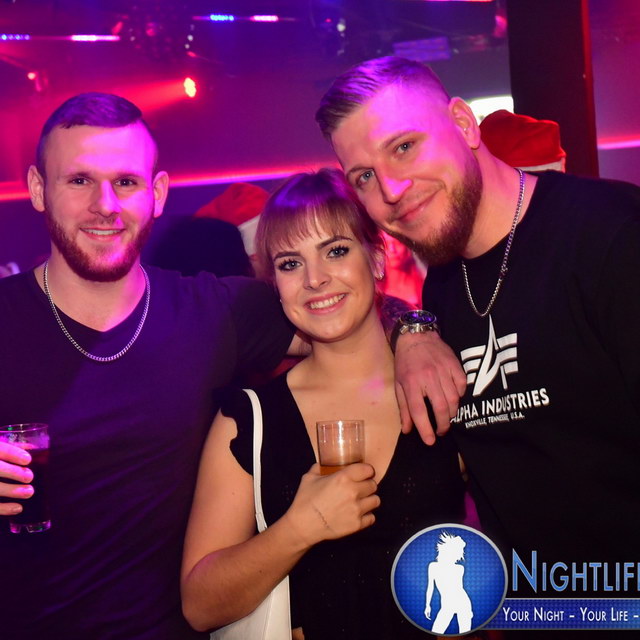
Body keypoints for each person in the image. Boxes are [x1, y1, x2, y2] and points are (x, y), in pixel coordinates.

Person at [315, 56, 640, 606]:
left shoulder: (611, 236)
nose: (391, 189)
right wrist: (411, 328)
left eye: (404, 146)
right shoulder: (443, 286)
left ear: (464, 125)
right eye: (364, 176)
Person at [0, 92, 296, 640]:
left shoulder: (216, 311)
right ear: (39, 189)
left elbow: (345, 316)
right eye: (79, 180)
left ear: (157, 193)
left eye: (126, 182)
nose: (105, 204)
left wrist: (413, 333)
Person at [180, 168, 465, 639]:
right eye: (290, 263)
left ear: (377, 258)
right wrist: (299, 528)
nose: (315, 279)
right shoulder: (248, 419)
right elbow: (199, 605)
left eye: (336, 251)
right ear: (274, 284)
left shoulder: (441, 385)